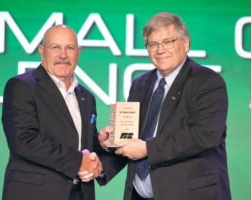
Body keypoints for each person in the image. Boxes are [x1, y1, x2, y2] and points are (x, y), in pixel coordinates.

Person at [98, 12, 232, 200]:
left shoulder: (207, 82)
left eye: (168, 42)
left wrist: (147, 149)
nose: (160, 50)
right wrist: (111, 143)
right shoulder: (140, 84)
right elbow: (132, 139)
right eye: (153, 44)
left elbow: (203, 135)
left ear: (186, 43)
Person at [1, 25, 103, 200]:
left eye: (69, 48)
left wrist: (102, 143)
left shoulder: (87, 97)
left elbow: (82, 146)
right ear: (42, 51)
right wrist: (78, 161)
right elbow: (24, 141)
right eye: (55, 47)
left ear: (78, 52)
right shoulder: (21, 86)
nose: (63, 55)